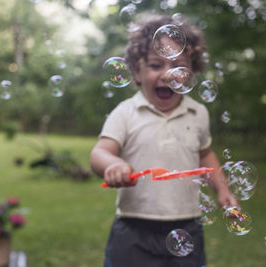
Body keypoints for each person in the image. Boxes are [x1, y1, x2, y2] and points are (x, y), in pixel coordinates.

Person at [90, 13, 239, 267]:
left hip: (187, 224)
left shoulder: (198, 113)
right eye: (156, 65)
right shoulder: (126, 112)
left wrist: (223, 190)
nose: (168, 74)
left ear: (192, 71)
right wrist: (111, 165)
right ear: (136, 72)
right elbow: (99, 153)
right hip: (134, 226)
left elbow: (206, 155)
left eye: (178, 65)